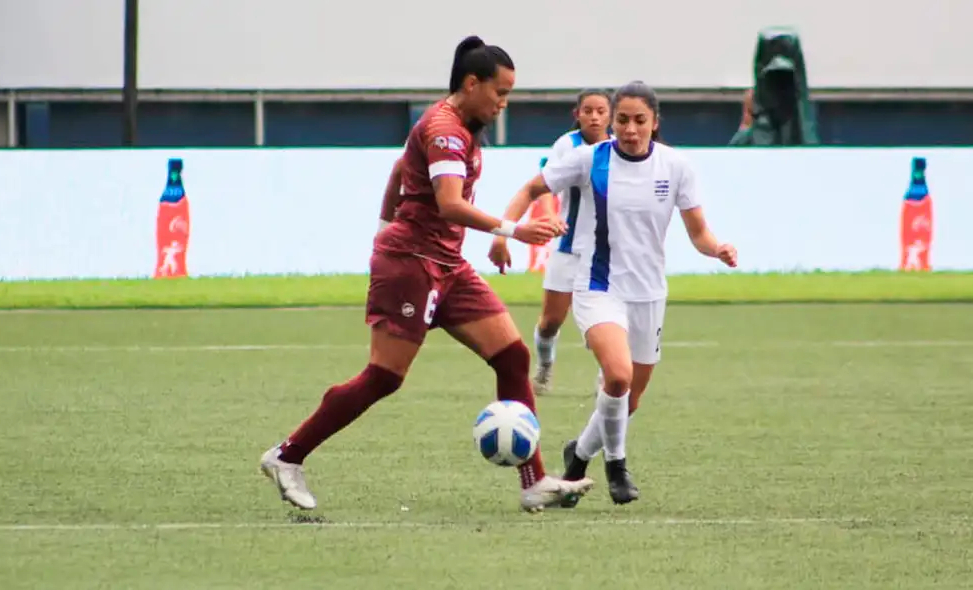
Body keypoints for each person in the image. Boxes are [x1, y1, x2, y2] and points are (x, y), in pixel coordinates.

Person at [259, 35, 595, 514]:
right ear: (472, 83)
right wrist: (514, 230)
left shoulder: (459, 125)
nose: (504, 103)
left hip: (447, 265)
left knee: (513, 357)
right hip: (411, 264)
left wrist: (381, 228)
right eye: (500, 93)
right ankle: (287, 455)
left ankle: (533, 481)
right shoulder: (445, 130)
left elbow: (399, 171)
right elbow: (450, 204)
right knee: (384, 377)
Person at [490, 81, 737, 506]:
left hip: (649, 294)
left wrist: (717, 248)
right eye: (622, 120)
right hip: (598, 287)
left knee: (630, 398)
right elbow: (532, 189)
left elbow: (698, 233)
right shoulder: (588, 160)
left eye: (640, 120)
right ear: (612, 122)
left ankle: (579, 455)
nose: (630, 129)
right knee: (617, 376)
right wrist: (503, 233)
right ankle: (617, 466)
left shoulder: (676, 167)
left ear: (654, 123)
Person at [505, 89, 612, 395]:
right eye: (588, 110)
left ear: (610, 115)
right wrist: (551, 217)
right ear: (576, 114)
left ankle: (608, 375)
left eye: (601, 111)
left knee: (600, 320)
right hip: (567, 249)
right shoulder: (567, 145)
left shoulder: (619, 148)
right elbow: (545, 187)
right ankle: (545, 366)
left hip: (604, 253)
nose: (594, 116)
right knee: (551, 321)